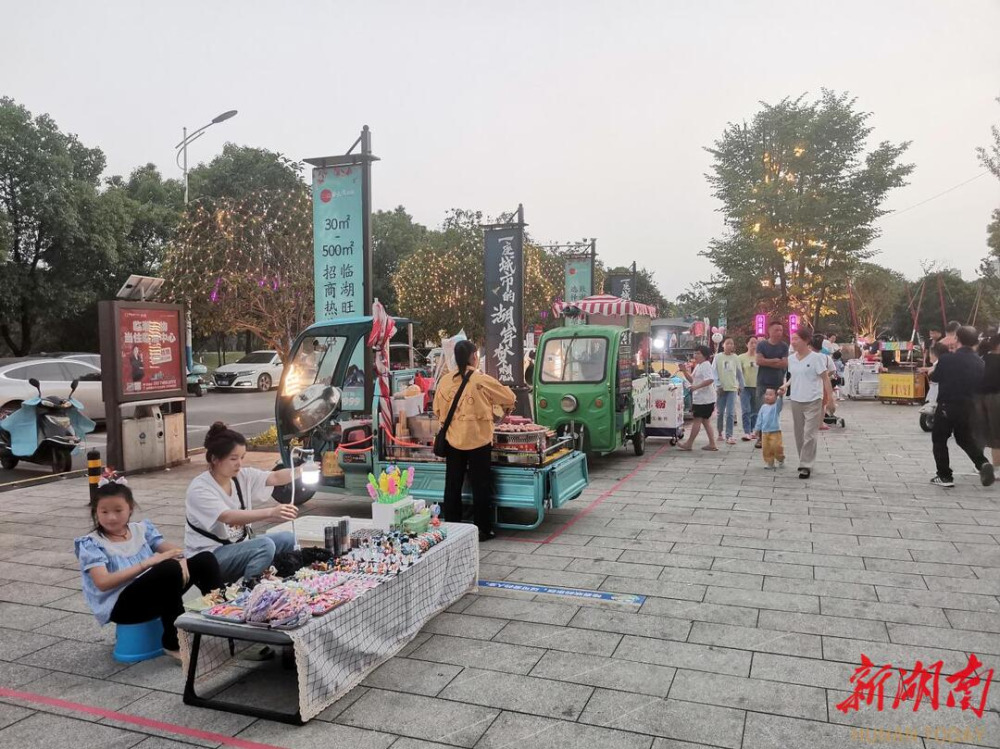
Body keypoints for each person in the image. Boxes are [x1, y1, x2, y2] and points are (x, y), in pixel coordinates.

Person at [76, 479, 222, 660]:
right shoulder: (92, 543)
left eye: (118, 510)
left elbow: (171, 550)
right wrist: (147, 564)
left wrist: (182, 558)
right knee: (168, 568)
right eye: (104, 512)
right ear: (96, 512)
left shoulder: (141, 530)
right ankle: (173, 642)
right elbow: (103, 583)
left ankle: (221, 616)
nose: (111, 517)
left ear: (130, 509)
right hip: (123, 607)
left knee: (205, 560)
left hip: (153, 595)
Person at [185, 422, 300, 584]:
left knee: (288, 538)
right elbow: (227, 516)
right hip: (208, 557)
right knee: (264, 546)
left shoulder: (242, 476)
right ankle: (249, 588)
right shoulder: (200, 488)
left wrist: (302, 471)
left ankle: (278, 580)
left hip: (238, 546)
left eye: (242, 457)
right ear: (215, 459)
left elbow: (274, 477)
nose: (239, 463)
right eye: (233, 459)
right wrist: (271, 512)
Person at [433, 339, 516, 541]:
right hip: (479, 440)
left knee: (452, 485)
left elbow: (436, 409)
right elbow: (509, 397)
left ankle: (453, 527)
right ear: (472, 356)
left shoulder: (445, 381)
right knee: (481, 485)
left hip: (453, 440)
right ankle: (482, 529)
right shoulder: (481, 379)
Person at [928, 326, 994, 488]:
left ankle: (944, 475)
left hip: (947, 404)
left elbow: (935, 377)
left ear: (957, 339)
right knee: (964, 438)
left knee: (939, 439)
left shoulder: (947, 359)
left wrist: (932, 371)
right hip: (969, 406)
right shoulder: (980, 362)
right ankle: (982, 463)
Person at [778, 327, 833, 479]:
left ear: (806, 340)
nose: (793, 342)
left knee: (810, 433)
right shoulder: (791, 359)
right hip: (796, 399)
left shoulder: (817, 358)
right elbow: (795, 376)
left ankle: (805, 465)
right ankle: (803, 458)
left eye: (796, 339)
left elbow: (825, 378)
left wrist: (830, 399)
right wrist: (785, 385)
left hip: (813, 399)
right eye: (792, 339)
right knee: (799, 434)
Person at [755, 321, 790, 449]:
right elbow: (759, 361)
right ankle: (760, 437)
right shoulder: (762, 345)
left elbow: (784, 363)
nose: (779, 333)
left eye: (781, 330)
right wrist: (775, 360)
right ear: (769, 331)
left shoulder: (784, 346)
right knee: (762, 410)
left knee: (775, 412)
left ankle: (773, 437)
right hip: (763, 382)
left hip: (777, 383)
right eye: (776, 330)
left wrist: (767, 362)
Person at [677, 345, 719, 452]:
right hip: (703, 398)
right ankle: (712, 444)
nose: (695, 355)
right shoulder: (699, 365)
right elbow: (692, 380)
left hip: (704, 399)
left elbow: (710, 380)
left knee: (697, 420)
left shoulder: (706, 365)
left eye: (698, 353)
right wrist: (684, 371)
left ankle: (689, 443)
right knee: (705, 422)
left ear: (705, 355)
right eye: (695, 353)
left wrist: (696, 387)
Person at [713, 337, 744, 445]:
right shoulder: (718, 357)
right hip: (721, 389)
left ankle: (729, 435)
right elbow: (714, 372)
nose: (730, 345)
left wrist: (741, 386)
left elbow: (739, 373)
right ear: (723, 345)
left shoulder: (735, 358)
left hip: (732, 388)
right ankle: (719, 432)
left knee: (730, 413)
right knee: (720, 412)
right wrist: (718, 385)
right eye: (728, 343)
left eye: (731, 343)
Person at [981, 333, 1000, 470]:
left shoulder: (982, 359)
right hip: (995, 399)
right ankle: (997, 467)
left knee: (992, 436)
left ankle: (984, 464)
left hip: (983, 399)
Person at [754, 387, 784, 469]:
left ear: (775, 396)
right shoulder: (763, 407)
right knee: (766, 448)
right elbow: (759, 419)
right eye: (766, 394)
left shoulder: (776, 406)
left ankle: (780, 458)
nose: (767, 396)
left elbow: (780, 404)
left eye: (770, 395)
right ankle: (769, 462)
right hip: (765, 432)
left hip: (775, 431)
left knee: (776, 447)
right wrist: (757, 429)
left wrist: (781, 397)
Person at [738, 337, 759, 441]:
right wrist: (738, 385)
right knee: (746, 410)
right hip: (744, 387)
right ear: (747, 344)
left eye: (756, 343)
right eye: (751, 343)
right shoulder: (741, 357)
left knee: (755, 410)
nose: (754, 345)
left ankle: (752, 430)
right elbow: (738, 373)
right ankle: (746, 432)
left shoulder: (760, 357)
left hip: (757, 387)